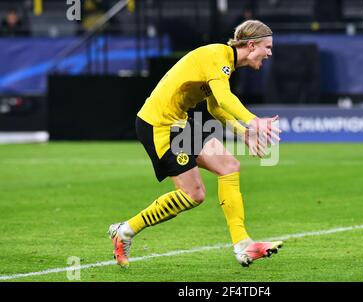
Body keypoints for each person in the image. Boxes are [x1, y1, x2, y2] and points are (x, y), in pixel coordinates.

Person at [108, 20, 282, 268]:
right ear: (251, 45)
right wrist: (254, 122)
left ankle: (243, 245)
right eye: (268, 47)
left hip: (179, 123)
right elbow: (224, 98)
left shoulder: (223, 64)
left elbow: (215, 106)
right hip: (159, 125)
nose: (270, 53)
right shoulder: (216, 56)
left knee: (229, 166)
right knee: (194, 194)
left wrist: (242, 132)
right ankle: (124, 231)